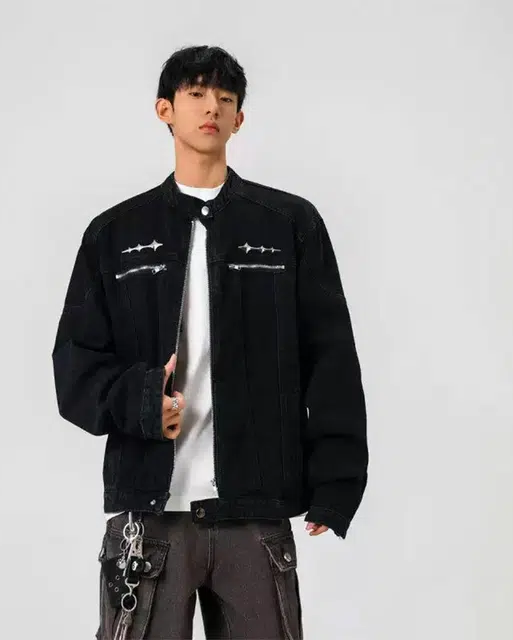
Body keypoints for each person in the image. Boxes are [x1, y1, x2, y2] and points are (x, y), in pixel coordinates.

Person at [51, 44, 368, 640]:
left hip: (255, 510)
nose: (211, 108)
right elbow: (74, 366)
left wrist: (337, 481)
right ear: (164, 110)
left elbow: (330, 357)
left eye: (225, 98)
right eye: (196, 94)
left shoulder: (288, 224)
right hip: (150, 513)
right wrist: (144, 403)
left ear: (239, 118)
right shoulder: (115, 234)